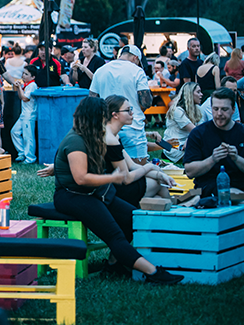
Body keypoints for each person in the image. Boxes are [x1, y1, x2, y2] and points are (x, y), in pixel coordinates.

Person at [51, 97, 183, 283]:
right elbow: (81, 178)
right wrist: (112, 178)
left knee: (133, 219)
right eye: (102, 117)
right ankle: (153, 273)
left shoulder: (92, 137)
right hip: (72, 196)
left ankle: (114, 265)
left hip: (95, 192)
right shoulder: (76, 141)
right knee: (115, 235)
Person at [184, 87, 244, 208]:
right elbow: (190, 171)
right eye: (215, 109)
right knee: (240, 198)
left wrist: (237, 158)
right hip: (210, 184)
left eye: (224, 109)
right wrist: (212, 159)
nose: (219, 114)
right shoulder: (199, 133)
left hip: (242, 182)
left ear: (233, 110)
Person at [104, 95, 175, 207]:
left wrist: (158, 173)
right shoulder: (110, 139)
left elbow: (132, 165)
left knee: (157, 192)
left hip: (117, 185)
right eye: (128, 110)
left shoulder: (114, 135)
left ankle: (175, 205)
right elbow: (126, 178)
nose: (132, 113)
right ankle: (177, 206)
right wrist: (151, 168)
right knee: (158, 184)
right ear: (115, 115)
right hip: (114, 190)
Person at [90, 45, 152, 163]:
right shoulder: (137, 70)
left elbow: (92, 100)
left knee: (111, 169)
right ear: (135, 58)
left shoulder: (101, 70)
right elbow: (146, 102)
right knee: (139, 169)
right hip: (133, 126)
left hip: (107, 128)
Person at [162, 82, 203, 163]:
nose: (201, 94)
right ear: (190, 94)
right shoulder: (177, 110)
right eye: (198, 92)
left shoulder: (197, 108)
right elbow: (196, 131)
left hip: (187, 144)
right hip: (174, 147)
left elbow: (201, 129)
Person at [11, 65, 39, 164]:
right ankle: (22, 152)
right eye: (23, 73)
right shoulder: (26, 85)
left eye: (26, 74)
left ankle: (30, 157)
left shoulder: (32, 85)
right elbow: (20, 96)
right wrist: (19, 87)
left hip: (29, 114)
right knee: (14, 132)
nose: (23, 76)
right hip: (24, 114)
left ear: (33, 77)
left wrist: (19, 87)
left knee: (28, 137)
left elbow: (25, 98)